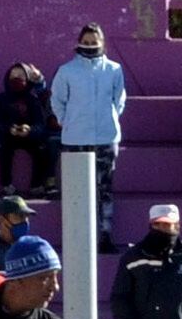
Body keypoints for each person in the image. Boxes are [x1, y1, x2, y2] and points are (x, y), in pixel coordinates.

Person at [49, 19, 130, 192]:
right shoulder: (67, 70)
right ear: (79, 43)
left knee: (104, 190)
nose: (90, 46)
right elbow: (58, 99)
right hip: (75, 138)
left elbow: (119, 99)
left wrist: (110, 118)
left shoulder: (114, 69)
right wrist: (66, 121)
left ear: (102, 43)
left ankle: (105, 220)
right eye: (86, 42)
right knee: (77, 191)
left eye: (94, 42)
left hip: (106, 137)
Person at [0, 63, 56, 196]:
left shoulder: (33, 100)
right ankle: (6, 184)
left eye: (21, 76)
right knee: (4, 149)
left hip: (29, 136)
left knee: (41, 149)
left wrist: (30, 130)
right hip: (8, 135)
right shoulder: (0, 99)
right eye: (13, 75)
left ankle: (36, 185)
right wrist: (9, 128)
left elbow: (40, 124)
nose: (17, 78)